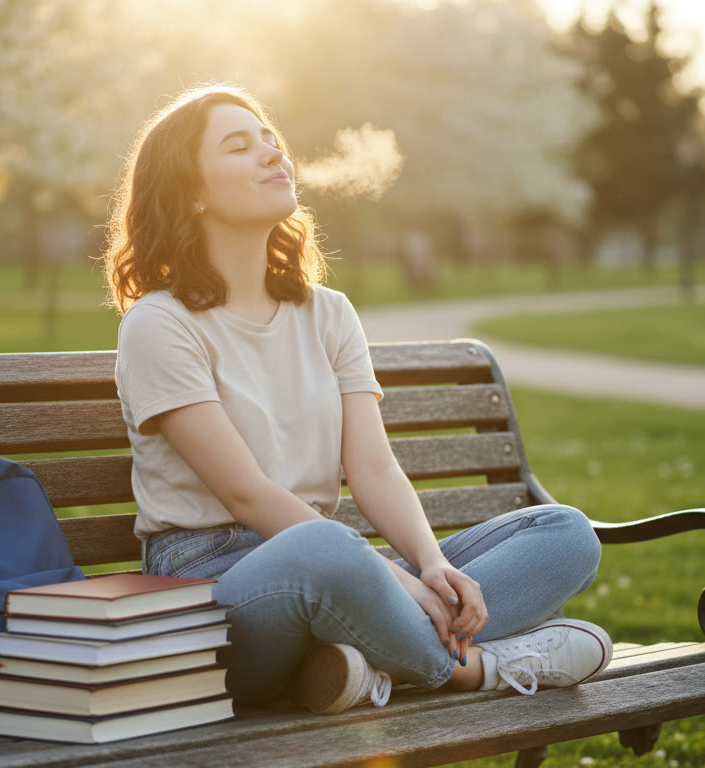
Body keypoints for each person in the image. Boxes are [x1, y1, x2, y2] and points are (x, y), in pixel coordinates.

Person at [103, 84, 610, 714]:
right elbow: (245, 494)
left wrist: (427, 566)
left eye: (271, 139)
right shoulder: (159, 323)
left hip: (338, 563)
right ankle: (472, 669)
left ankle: (359, 663)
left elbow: (371, 467)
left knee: (566, 533)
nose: (271, 153)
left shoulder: (328, 313)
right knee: (327, 551)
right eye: (240, 146)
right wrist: (389, 579)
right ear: (192, 193)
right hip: (217, 581)